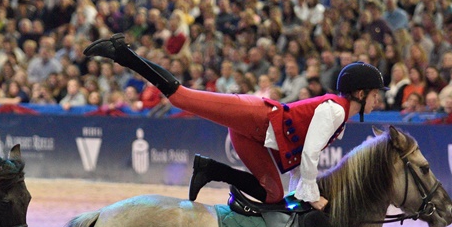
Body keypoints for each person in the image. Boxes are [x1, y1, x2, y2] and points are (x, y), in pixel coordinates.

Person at [84, 34, 387, 210]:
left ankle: (210, 170)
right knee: (181, 97)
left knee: (274, 195)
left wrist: (300, 192)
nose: (379, 101)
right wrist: (313, 195)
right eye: (375, 95)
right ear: (360, 93)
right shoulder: (335, 111)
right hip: (254, 115)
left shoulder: (340, 116)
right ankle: (121, 53)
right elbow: (309, 155)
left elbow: (298, 159)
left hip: (252, 135)